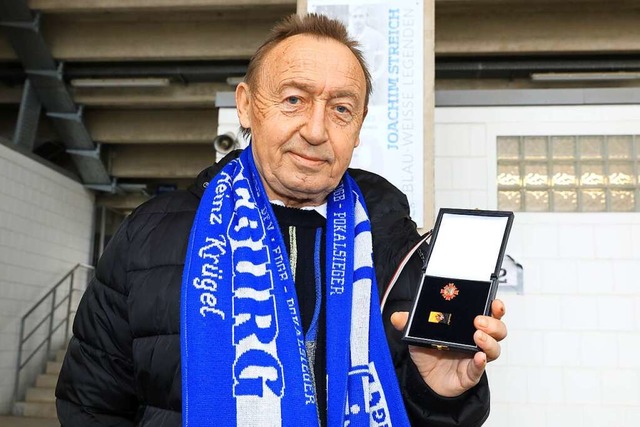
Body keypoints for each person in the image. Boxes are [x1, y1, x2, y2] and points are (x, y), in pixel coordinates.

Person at [56, 13, 507, 427]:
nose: (315, 130)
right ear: (248, 106)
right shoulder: (148, 237)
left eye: (341, 109)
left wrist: (438, 394)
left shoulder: (398, 251)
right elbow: (90, 408)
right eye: (294, 99)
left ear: (360, 123)